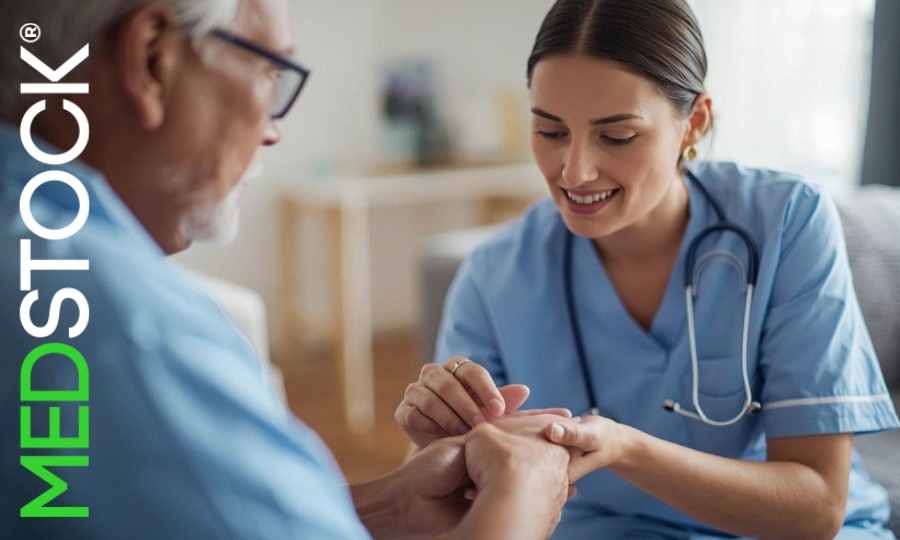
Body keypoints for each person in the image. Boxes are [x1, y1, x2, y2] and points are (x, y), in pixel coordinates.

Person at [0, 1, 577, 538]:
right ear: (154, 57)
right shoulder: (123, 330)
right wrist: (519, 501)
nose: (273, 130)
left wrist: (389, 504)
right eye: (270, 74)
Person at [396, 0, 900, 538]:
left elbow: (817, 507)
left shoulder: (788, 223)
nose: (575, 171)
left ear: (694, 124)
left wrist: (627, 449)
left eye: (617, 137)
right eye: (551, 132)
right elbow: (440, 507)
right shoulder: (494, 277)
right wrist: (435, 446)